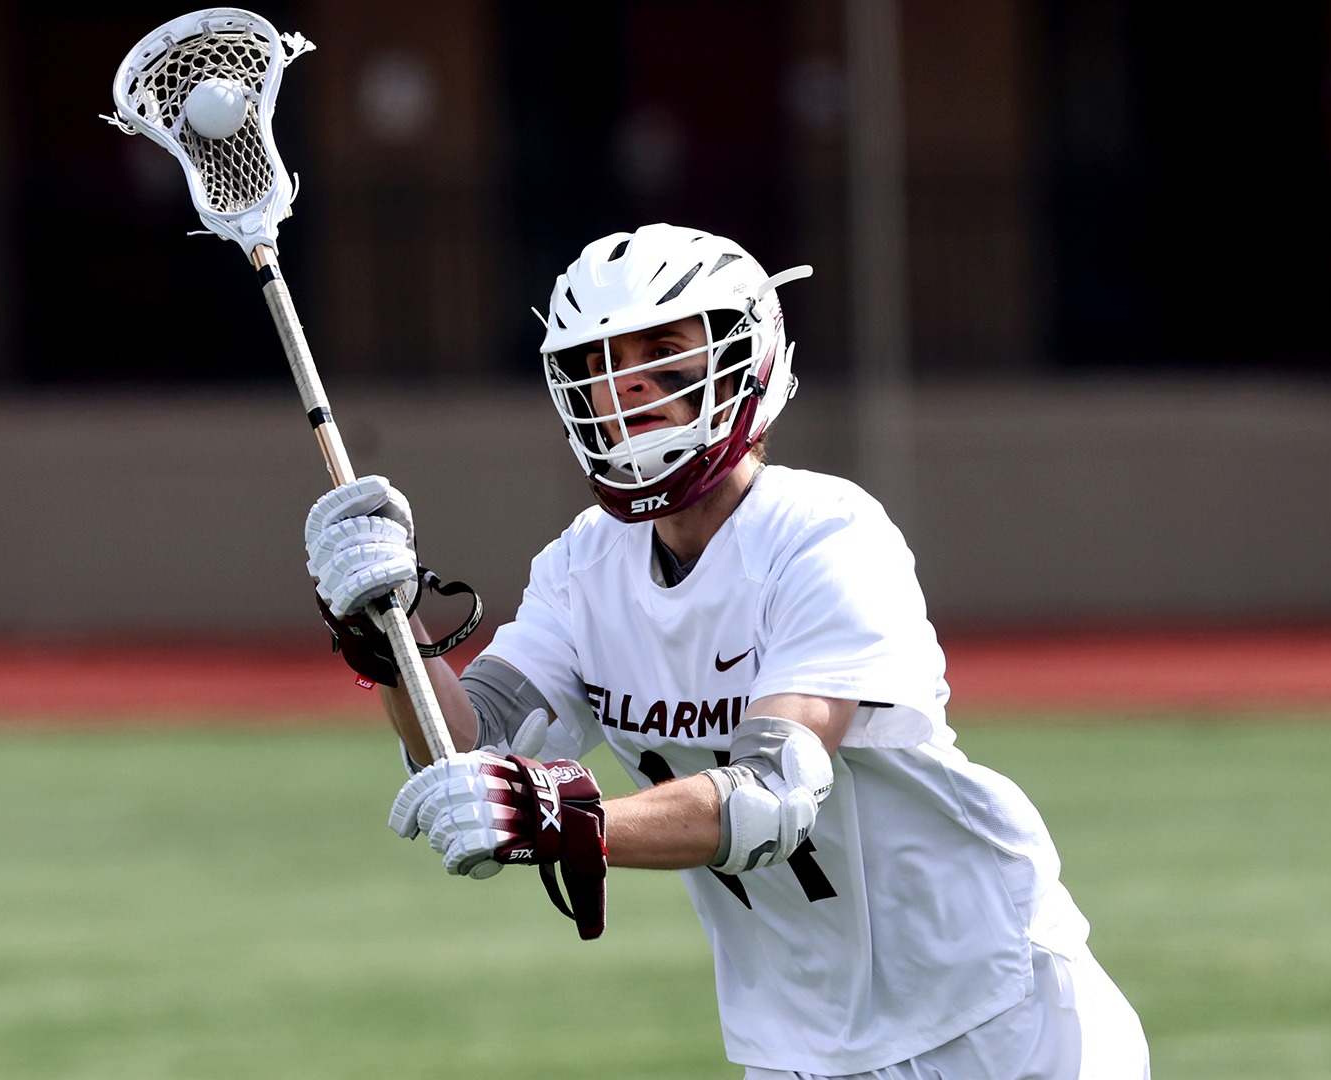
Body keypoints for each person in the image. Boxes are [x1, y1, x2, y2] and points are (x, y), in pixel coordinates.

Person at [303, 223, 1150, 1079]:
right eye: (601, 365)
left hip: (995, 1014)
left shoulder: (825, 532)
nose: (626, 390)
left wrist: (561, 818)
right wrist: (388, 628)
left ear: (748, 361)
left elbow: (775, 798)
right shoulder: (582, 563)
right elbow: (470, 748)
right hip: (795, 1042)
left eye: (663, 354)